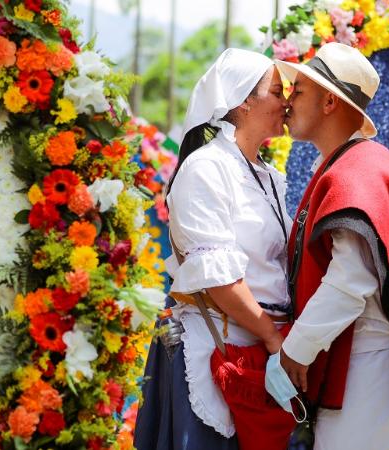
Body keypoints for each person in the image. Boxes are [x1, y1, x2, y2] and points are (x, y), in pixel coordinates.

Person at [272, 43, 389, 450]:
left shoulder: (359, 168)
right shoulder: (351, 163)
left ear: (329, 101)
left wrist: (294, 351)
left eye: (299, 90)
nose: (288, 101)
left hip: (369, 367)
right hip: (359, 365)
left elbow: (350, 282)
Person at [133, 48, 292, 450]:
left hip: (257, 347)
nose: (286, 102)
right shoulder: (206, 168)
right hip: (217, 348)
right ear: (243, 102)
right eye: (277, 91)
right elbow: (219, 280)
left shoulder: (269, 177)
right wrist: (273, 340)